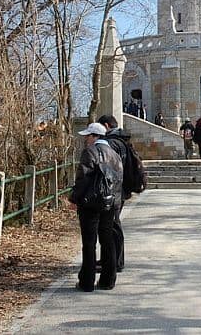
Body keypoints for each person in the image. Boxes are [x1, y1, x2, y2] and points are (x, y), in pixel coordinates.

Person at [72, 122, 123, 292]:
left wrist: (75, 199)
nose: (86, 139)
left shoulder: (90, 152)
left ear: (95, 136)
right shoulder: (114, 154)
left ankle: (87, 281)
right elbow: (118, 180)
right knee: (107, 240)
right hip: (110, 203)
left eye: (88, 136)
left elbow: (83, 178)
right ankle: (108, 280)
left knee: (89, 242)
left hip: (91, 203)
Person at [97, 114, 136, 273]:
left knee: (111, 226)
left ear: (106, 126)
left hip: (114, 190)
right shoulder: (123, 141)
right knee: (113, 225)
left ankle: (114, 261)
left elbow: (109, 168)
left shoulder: (112, 143)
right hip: (121, 188)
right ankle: (113, 259)